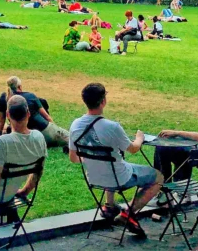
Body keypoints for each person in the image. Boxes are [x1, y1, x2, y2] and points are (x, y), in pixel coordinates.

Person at [69, 83, 163, 238]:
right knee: (158, 177)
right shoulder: (112, 127)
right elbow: (133, 149)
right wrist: (140, 138)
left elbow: (73, 158)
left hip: (93, 177)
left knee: (112, 165)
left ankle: (109, 206)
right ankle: (128, 214)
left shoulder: (75, 125)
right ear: (103, 101)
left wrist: (93, 158)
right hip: (119, 177)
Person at [0, 76, 69, 147]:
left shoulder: (3, 99)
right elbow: (47, 117)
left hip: (28, 138)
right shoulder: (30, 96)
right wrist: (55, 129)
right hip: (45, 132)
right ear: (19, 87)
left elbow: (1, 121)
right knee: (70, 137)